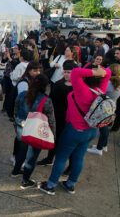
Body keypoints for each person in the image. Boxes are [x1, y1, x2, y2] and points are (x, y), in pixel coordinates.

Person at [38, 65, 111, 195]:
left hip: (74, 130)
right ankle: (70, 184)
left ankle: (50, 185)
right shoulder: (100, 89)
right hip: (92, 130)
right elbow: (108, 72)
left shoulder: (81, 89)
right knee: (79, 157)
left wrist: (93, 71)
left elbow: (76, 72)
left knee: (61, 157)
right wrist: (99, 72)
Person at [37, 61, 78, 168]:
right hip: (57, 116)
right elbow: (51, 99)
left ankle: (71, 165)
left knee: (69, 143)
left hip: (72, 119)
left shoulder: (79, 86)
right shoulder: (59, 84)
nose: (66, 74)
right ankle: (50, 158)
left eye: (69, 72)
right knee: (54, 138)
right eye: (65, 72)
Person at [17, 74, 55, 189]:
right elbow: (51, 120)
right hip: (35, 131)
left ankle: (16, 170)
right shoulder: (46, 100)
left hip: (22, 127)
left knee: (21, 151)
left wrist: (16, 121)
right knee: (31, 157)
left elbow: (15, 108)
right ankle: (25, 180)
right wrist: (53, 134)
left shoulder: (23, 95)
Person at [10, 61, 42, 174]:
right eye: (35, 70)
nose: (37, 73)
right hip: (23, 117)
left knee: (21, 140)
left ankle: (16, 158)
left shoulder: (33, 81)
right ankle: (16, 159)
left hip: (26, 116)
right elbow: (22, 101)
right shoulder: (24, 83)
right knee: (21, 141)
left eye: (39, 70)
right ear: (29, 70)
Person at [87, 63, 120, 155]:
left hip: (104, 108)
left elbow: (100, 90)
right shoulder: (117, 83)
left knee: (103, 128)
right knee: (104, 127)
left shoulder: (109, 83)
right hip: (111, 107)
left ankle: (99, 148)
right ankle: (104, 145)